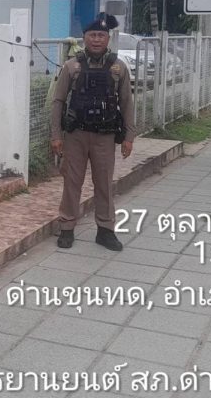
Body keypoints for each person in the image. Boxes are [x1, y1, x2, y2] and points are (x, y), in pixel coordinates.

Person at [50, 13, 135, 251]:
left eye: (101, 35)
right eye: (92, 35)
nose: (96, 39)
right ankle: (67, 228)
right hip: (76, 135)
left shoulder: (118, 67)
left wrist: (129, 137)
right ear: (84, 38)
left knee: (104, 183)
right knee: (72, 182)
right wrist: (56, 135)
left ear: (107, 39)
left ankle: (105, 231)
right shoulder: (72, 66)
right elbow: (58, 101)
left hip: (105, 136)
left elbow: (127, 103)